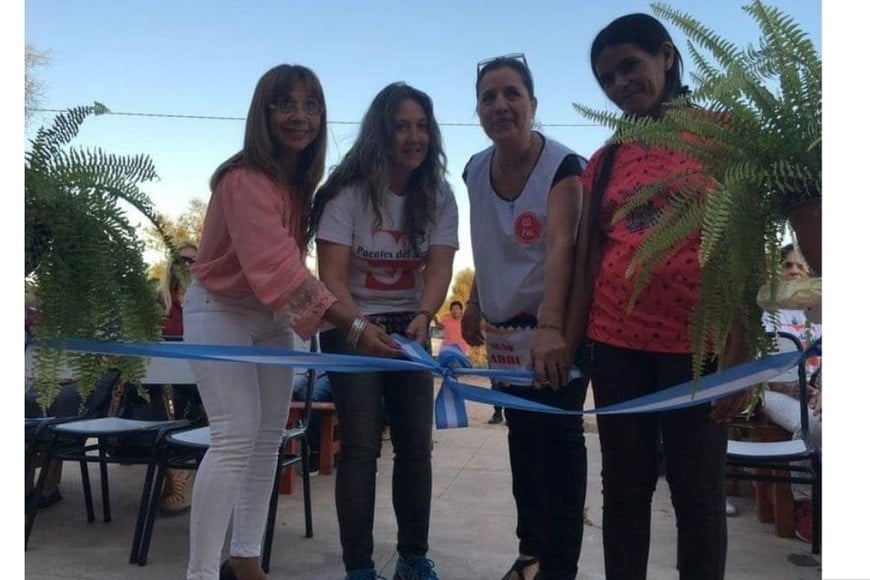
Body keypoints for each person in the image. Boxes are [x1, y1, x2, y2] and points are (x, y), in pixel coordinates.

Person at [182, 64, 398, 580]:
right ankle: (200, 574)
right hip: (220, 311)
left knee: (266, 440)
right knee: (233, 437)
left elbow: (286, 279)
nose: (300, 116)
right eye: (285, 104)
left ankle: (247, 560)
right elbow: (280, 270)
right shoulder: (242, 180)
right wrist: (356, 327)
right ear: (264, 112)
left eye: (312, 105)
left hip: (269, 317)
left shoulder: (300, 184)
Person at [564, 14, 752, 579]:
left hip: (698, 356)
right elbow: (587, 260)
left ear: (666, 57)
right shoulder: (607, 160)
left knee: (698, 496)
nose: (619, 84)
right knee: (624, 491)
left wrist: (740, 356)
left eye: (629, 66)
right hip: (616, 348)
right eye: (606, 79)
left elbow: (748, 252)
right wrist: (570, 342)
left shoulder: (725, 137)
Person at [309, 81, 458, 580]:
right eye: (401, 126)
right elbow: (329, 274)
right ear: (381, 132)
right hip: (351, 322)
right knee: (360, 447)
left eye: (422, 126)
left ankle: (413, 558)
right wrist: (356, 328)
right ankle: (360, 568)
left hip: (410, 325)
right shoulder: (348, 191)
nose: (413, 137)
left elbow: (438, 267)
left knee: (416, 444)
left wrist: (423, 314)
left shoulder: (437, 193)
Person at [461, 53, 588, 580]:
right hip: (504, 338)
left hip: (555, 334)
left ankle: (560, 566)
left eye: (512, 93)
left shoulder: (564, 167)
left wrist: (554, 329)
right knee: (521, 439)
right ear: (478, 110)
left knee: (559, 439)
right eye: (489, 96)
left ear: (533, 104)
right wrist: (472, 302)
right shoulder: (472, 169)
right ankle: (531, 552)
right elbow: (486, 243)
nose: (500, 105)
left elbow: (563, 248)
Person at [760, 243, 821, 543]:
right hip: (775, 392)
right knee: (814, 425)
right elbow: (760, 374)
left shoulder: (822, 312)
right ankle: (805, 504)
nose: (795, 271)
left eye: (801, 266)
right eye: (788, 265)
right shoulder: (766, 311)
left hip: (816, 392)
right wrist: (799, 389)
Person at [155, 241, 207, 515]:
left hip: (199, 377)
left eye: (192, 260)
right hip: (163, 378)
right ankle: (175, 470)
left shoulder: (214, 300)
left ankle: (182, 471)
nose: (185, 266)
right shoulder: (158, 301)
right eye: (180, 260)